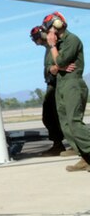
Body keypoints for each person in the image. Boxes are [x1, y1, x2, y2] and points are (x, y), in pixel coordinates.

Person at [42, 12, 90, 173]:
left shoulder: (71, 40)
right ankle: (85, 157)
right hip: (60, 86)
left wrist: (53, 48)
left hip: (73, 84)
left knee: (74, 122)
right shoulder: (57, 45)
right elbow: (50, 68)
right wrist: (56, 67)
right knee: (66, 125)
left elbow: (61, 61)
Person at [31, 25, 67, 156]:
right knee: (49, 116)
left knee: (64, 116)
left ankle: (74, 145)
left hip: (58, 85)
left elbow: (61, 62)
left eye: (36, 37)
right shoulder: (48, 49)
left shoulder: (55, 46)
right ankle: (58, 144)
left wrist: (54, 68)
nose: (35, 41)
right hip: (51, 85)